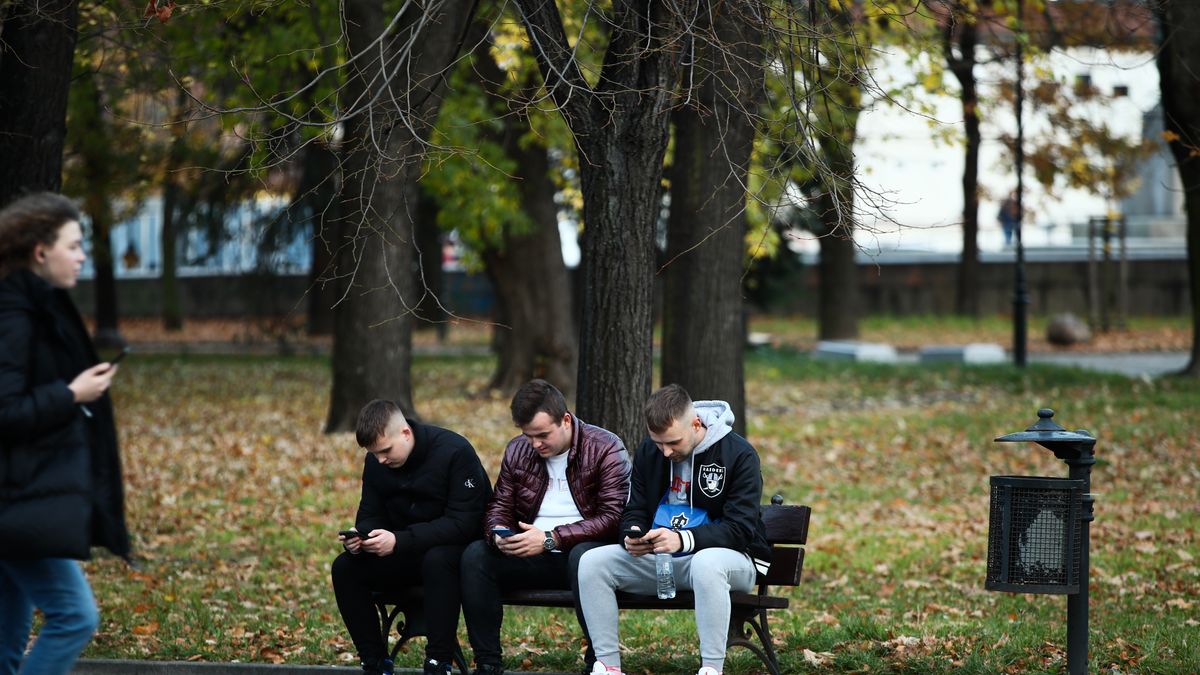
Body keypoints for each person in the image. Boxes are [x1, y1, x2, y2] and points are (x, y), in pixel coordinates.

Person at [0, 192, 132, 674]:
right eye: (73, 246)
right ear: (40, 251)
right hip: (16, 501)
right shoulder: (15, 315)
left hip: (23, 496)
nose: (81, 256)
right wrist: (71, 393)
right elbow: (5, 409)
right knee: (74, 617)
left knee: (6, 643)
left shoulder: (37, 307)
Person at [577, 384, 771, 675]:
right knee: (592, 563)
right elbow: (636, 508)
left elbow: (740, 529)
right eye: (658, 443)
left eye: (673, 443)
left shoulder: (738, 454)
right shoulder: (649, 451)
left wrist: (682, 540)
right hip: (662, 559)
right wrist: (632, 535)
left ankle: (711, 668)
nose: (665, 452)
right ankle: (607, 665)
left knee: (707, 564)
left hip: (730, 561)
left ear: (695, 424)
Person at [461, 380, 630, 675]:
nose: (535, 444)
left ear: (565, 420)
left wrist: (551, 539)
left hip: (585, 553)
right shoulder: (518, 451)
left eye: (542, 435)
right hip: (532, 552)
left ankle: (599, 662)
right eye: (528, 436)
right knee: (476, 555)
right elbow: (498, 506)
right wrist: (499, 534)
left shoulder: (605, 447)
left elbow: (613, 518)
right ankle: (487, 663)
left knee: (585, 558)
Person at [331, 399, 491, 675]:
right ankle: (374, 660)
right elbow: (370, 512)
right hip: (402, 552)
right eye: (374, 453)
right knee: (345, 567)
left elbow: (464, 523)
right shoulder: (377, 461)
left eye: (385, 451)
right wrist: (362, 537)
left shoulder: (454, 451)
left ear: (405, 433)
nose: (380, 459)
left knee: (438, 560)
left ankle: (438, 660)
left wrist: (399, 540)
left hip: (453, 553)